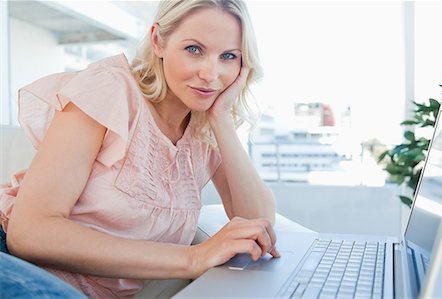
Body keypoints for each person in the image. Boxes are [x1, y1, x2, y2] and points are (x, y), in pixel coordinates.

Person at [0, 0, 279, 298]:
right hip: (15, 263)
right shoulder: (110, 89)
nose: (211, 74)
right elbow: (29, 232)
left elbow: (258, 224)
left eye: (228, 56)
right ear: (158, 41)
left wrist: (221, 120)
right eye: (194, 50)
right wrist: (194, 258)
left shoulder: (205, 127)